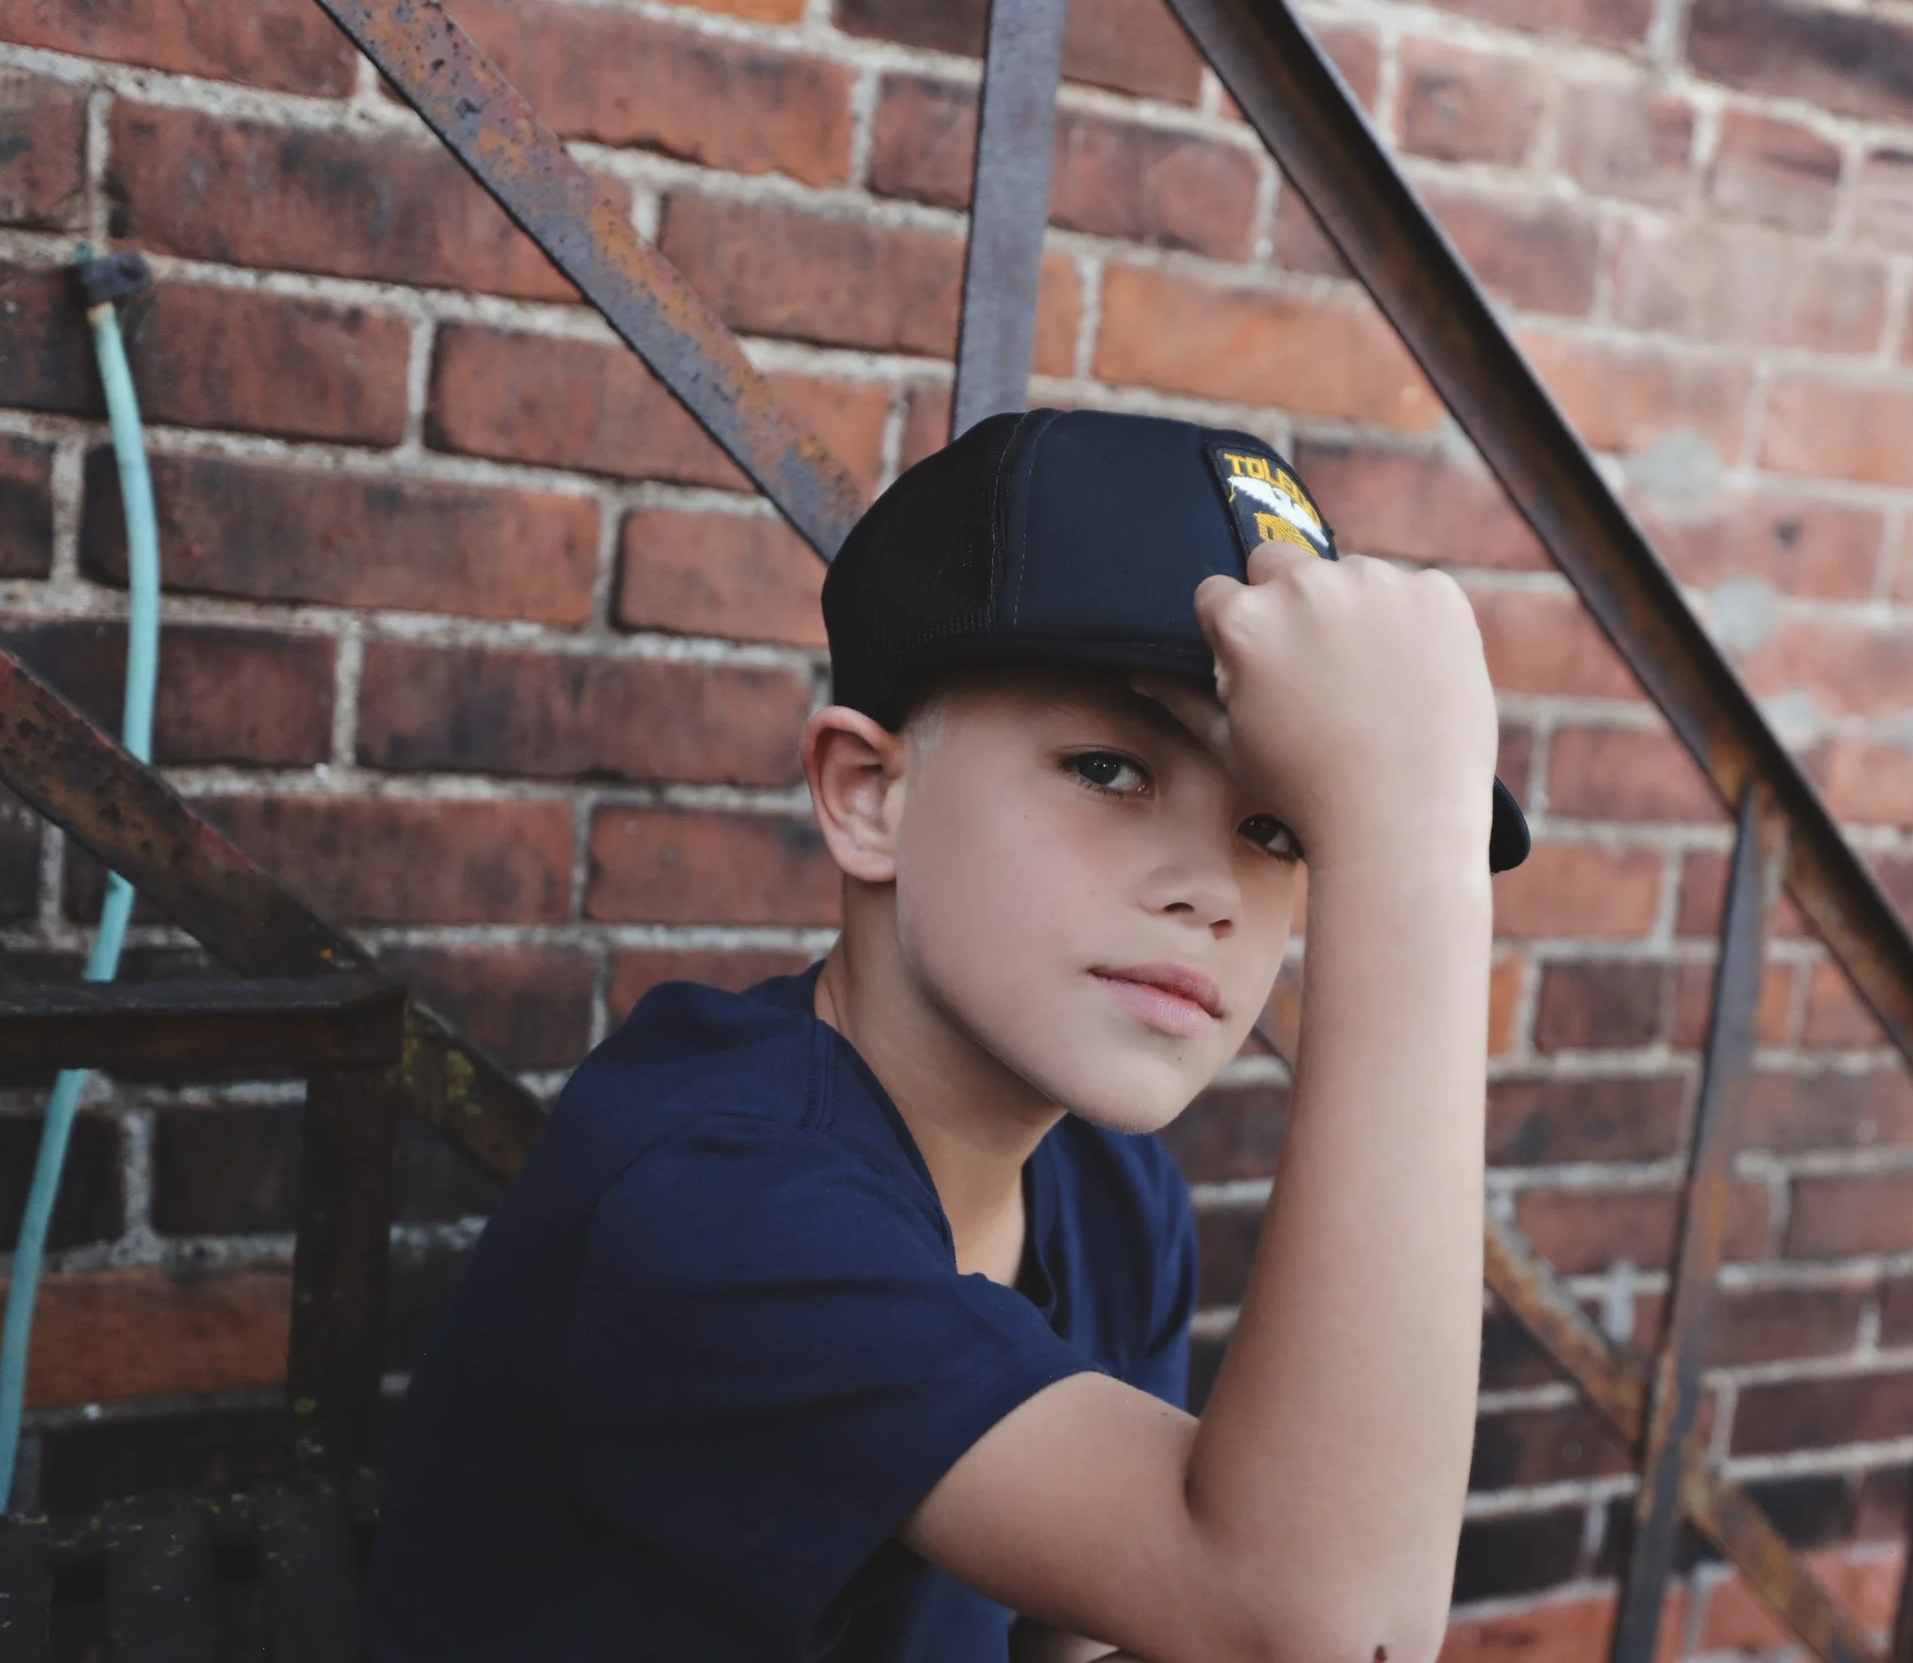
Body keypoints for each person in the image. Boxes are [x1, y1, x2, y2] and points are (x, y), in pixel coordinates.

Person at [367, 409, 1531, 1663]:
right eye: (1108, 768)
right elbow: (1320, 1628)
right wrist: (1407, 854)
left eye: (1277, 829)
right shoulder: (717, 1198)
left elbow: (1107, 1631)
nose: (1210, 888)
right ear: (870, 796)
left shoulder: (1113, 1193)